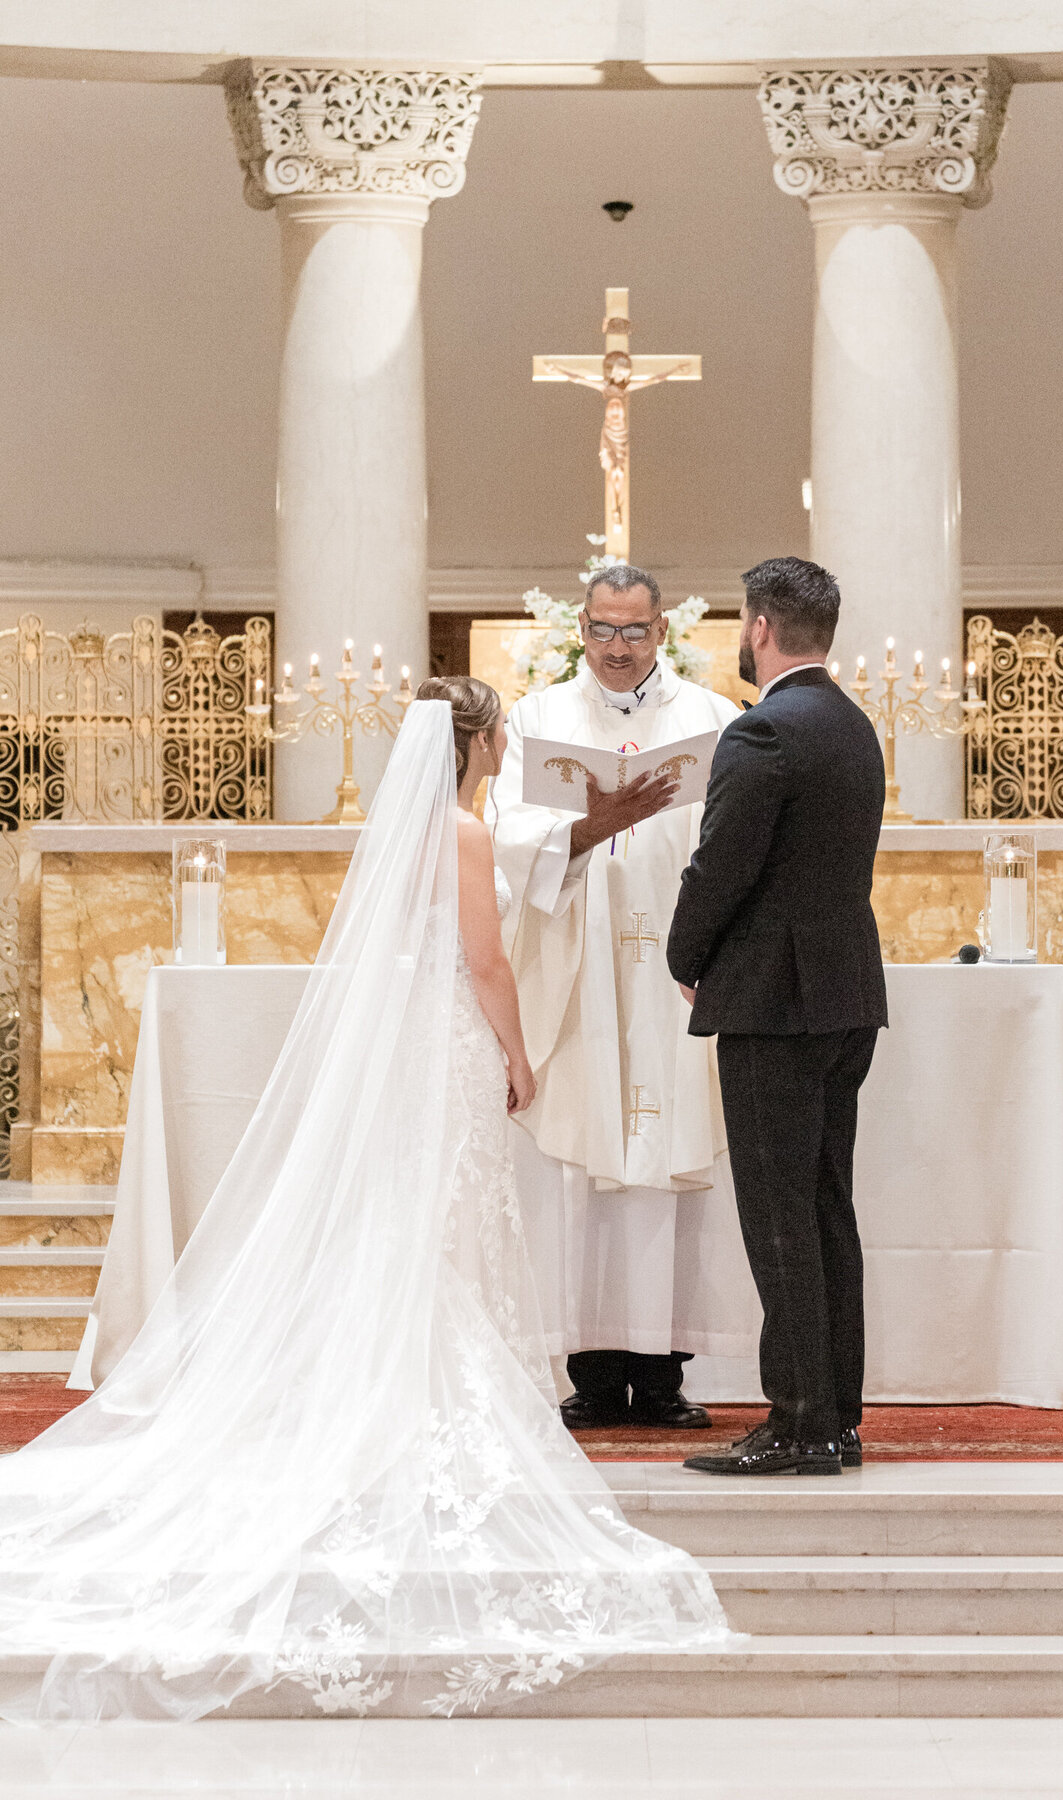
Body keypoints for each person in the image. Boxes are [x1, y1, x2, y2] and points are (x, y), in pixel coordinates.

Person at [0, 683, 728, 1723]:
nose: (509, 745)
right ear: (476, 744)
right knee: (447, 1223)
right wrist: (519, 1055)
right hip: (452, 1042)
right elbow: (483, 963)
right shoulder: (467, 833)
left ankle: (396, 1384)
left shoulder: (405, 831)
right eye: (502, 736)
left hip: (408, 1040)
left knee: (413, 1221)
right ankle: (429, 1398)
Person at [489, 565, 758, 1431]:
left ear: (662, 635)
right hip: (582, 962)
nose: (616, 647)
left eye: (633, 632)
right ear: (580, 631)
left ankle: (664, 1373)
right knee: (586, 1166)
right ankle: (594, 1373)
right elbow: (503, 835)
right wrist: (588, 827)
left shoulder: (714, 721)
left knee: (668, 1159)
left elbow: (742, 834)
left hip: (680, 972)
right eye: (602, 630)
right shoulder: (538, 718)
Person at [666, 557, 888, 1477]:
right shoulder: (852, 726)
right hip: (844, 998)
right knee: (827, 1204)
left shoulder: (762, 734)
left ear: (759, 627)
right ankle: (835, 1414)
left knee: (779, 1214)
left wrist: (685, 957)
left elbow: (723, 864)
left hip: (774, 1003)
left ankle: (798, 1421)